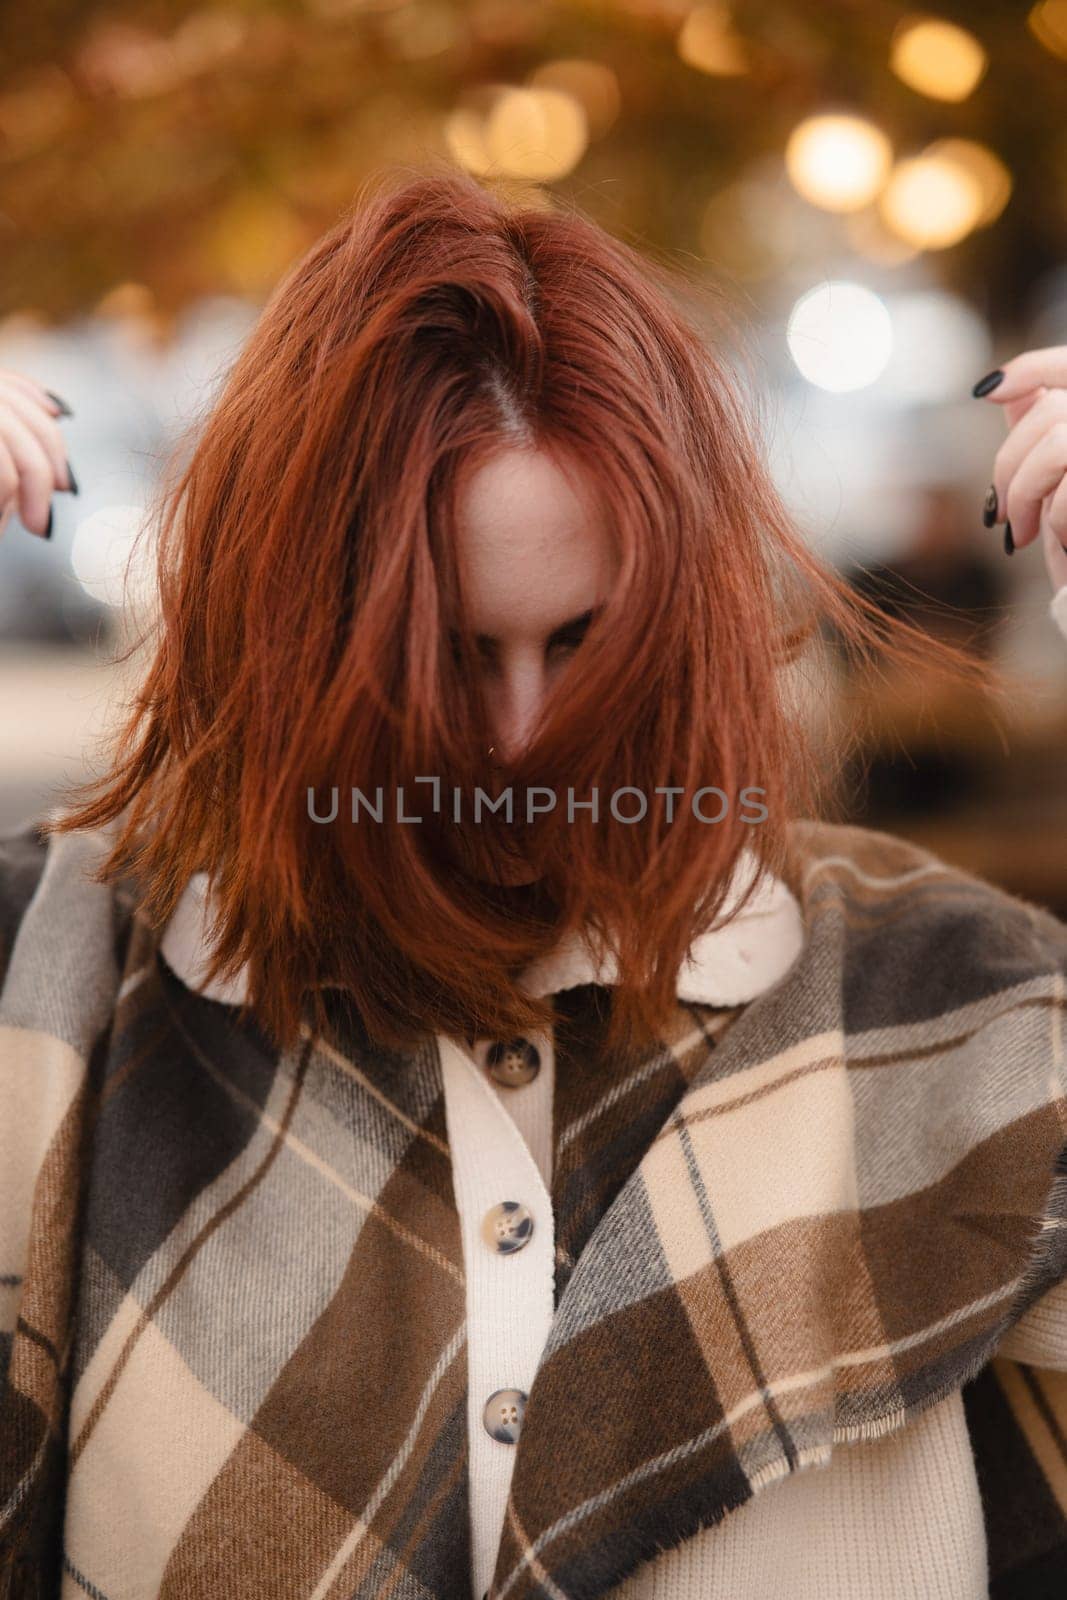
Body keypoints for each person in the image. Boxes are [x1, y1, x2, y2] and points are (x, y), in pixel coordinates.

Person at [0, 168, 1065, 1600]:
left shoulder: (967, 1001)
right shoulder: (63, 987)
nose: (514, 743)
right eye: (442, 656)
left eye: (580, 645)